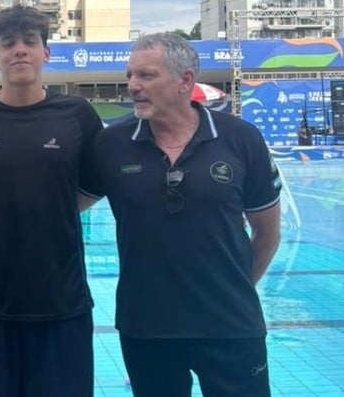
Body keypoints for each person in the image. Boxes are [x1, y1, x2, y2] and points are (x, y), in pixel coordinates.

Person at [88, 32, 281, 397]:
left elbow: (268, 234)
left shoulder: (241, 139)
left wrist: (234, 289)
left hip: (230, 325)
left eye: (146, 75)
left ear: (185, 80)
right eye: (130, 75)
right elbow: (65, 206)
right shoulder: (111, 144)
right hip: (146, 327)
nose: (133, 85)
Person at [0, 5, 103, 397]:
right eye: (8, 43)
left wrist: (56, 209)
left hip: (62, 300)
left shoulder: (77, 114)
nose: (20, 50)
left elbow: (98, 180)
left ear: (46, 53)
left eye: (30, 41)